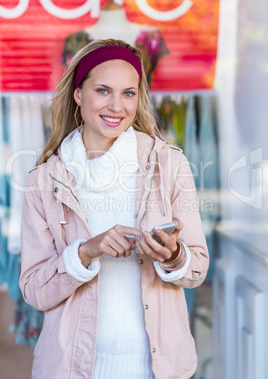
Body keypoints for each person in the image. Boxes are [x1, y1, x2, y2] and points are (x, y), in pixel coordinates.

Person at [19, 38, 209, 379]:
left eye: (128, 93)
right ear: (78, 94)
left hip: (157, 368)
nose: (117, 106)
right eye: (103, 91)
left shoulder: (169, 164)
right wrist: (86, 251)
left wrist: (174, 256)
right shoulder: (43, 180)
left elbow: (197, 268)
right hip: (72, 368)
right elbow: (35, 290)